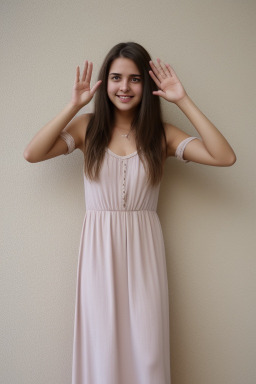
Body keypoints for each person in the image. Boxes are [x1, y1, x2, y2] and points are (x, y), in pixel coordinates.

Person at [24, 42, 236, 384]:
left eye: (135, 79)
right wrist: (73, 105)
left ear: (147, 85)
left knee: (147, 349)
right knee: (101, 346)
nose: (124, 87)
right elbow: (32, 153)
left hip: (144, 253)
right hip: (97, 253)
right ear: (105, 83)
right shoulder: (87, 127)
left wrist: (182, 99)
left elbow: (224, 157)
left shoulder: (161, 135)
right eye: (116, 78)